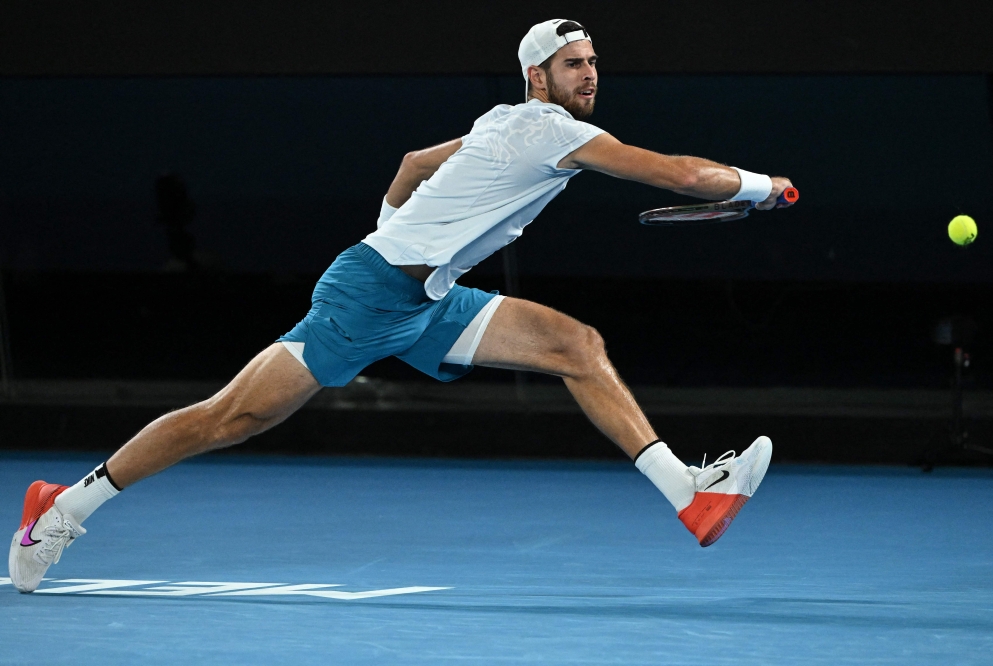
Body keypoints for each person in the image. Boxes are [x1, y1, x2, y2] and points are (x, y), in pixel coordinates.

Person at [9, 19, 794, 593]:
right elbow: (683, 177)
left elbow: (413, 162)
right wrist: (763, 189)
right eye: (572, 64)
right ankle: (61, 508)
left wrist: (401, 232)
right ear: (538, 77)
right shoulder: (546, 130)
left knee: (574, 346)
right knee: (231, 418)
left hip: (426, 297)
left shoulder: (501, 121)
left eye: (593, 62)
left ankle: (690, 495)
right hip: (367, 292)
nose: (589, 75)